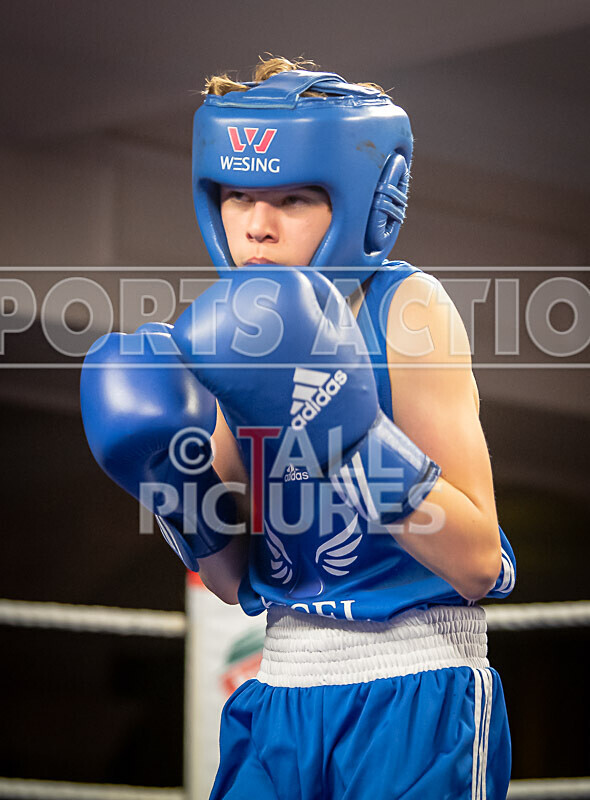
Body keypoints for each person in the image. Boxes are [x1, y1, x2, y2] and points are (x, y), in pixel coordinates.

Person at [81, 57, 516, 799]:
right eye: (238, 196)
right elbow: (231, 579)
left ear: (363, 207)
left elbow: (478, 564)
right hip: (280, 686)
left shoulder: (408, 312)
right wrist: (172, 483)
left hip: (409, 687)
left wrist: (344, 438)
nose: (257, 226)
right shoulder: (228, 335)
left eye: (290, 198)